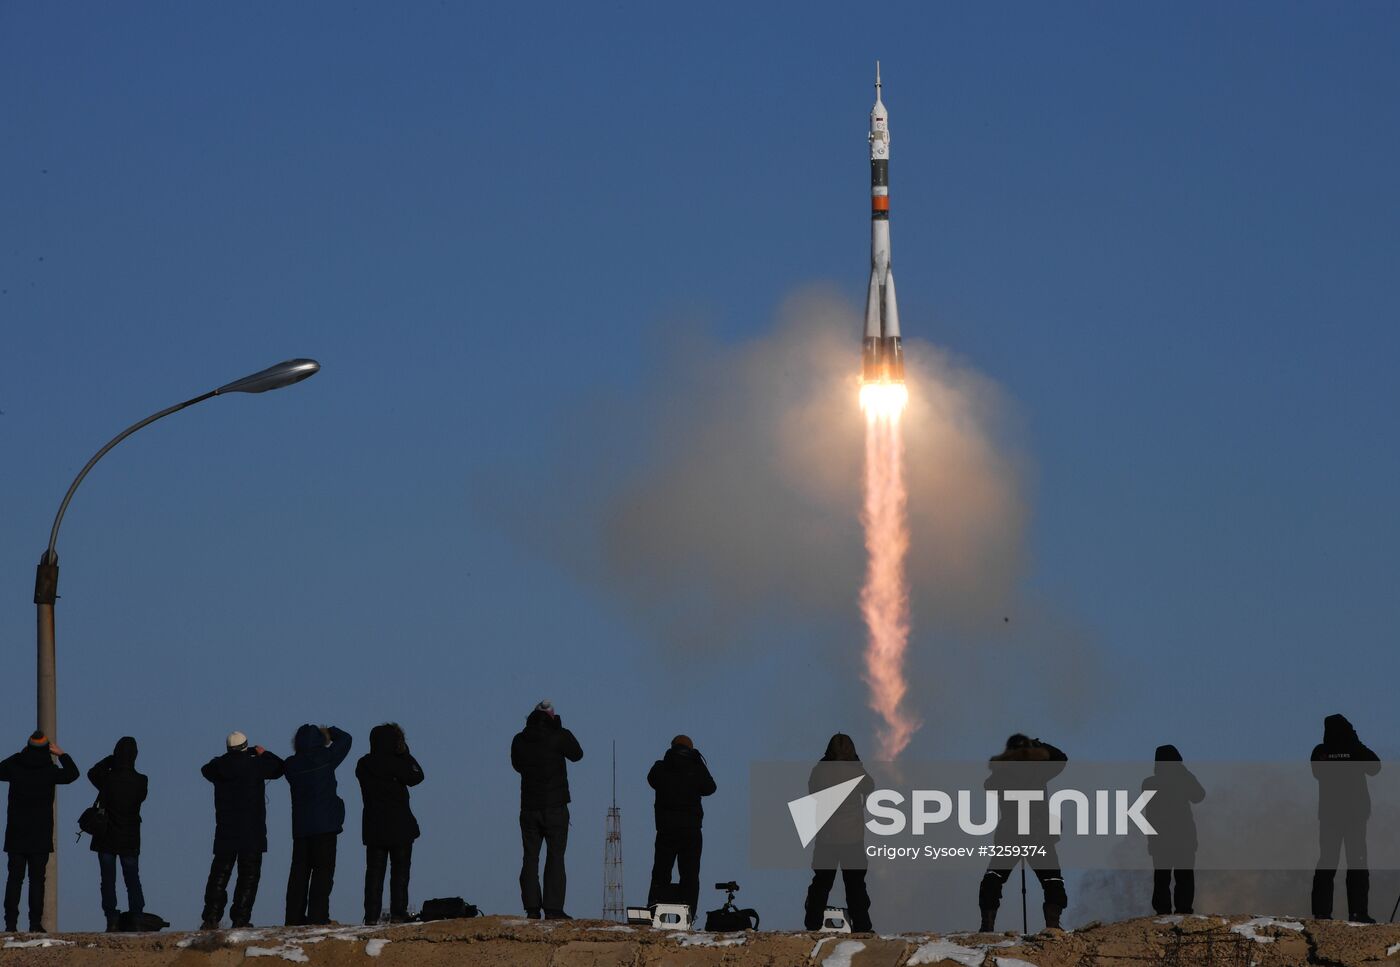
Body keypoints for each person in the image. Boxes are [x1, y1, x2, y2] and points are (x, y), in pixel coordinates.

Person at [977, 733, 1069, 933]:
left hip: (1010, 834)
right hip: (1038, 835)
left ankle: (987, 926)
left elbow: (989, 785)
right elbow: (1061, 758)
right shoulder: (1038, 772)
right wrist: (1039, 745)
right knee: (1052, 880)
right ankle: (1052, 926)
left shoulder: (1000, 775)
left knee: (993, 878)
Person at [200, 731, 285, 929]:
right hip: (252, 831)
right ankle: (240, 919)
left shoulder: (218, 767)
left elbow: (206, 769)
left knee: (219, 874)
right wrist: (263, 753)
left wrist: (226, 758)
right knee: (249, 876)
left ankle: (211, 917)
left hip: (225, 831)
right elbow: (280, 768)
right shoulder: (255, 765)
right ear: (246, 747)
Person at [510, 700, 583, 919]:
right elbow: (577, 754)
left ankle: (532, 907)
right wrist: (557, 727)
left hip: (529, 807)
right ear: (551, 716)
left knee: (530, 858)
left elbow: (517, 765)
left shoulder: (519, 740)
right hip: (555, 807)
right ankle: (553, 908)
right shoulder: (558, 735)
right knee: (555, 857)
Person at [0, 732, 78, 933]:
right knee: (37, 881)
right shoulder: (49, 770)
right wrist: (61, 754)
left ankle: (10, 923)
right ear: (47, 750)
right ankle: (35, 923)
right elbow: (72, 774)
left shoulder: (16, 765)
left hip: (16, 834)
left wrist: (20, 755)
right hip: (41, 835)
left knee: (14, 879)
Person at [802, 733, 875, 933]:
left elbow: (812, 790)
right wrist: (857, 764)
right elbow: (870, 786)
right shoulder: (855, 771)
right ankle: (862, 926)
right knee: (855, 884)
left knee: (822, 882)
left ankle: (813, 923)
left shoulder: (819, 770)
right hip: (852, 839)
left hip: (826, 838)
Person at [1311, 713, 1380, 922]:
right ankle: (1358, 911)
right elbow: (1375, 767)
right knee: (1357, 863)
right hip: (1355, 816)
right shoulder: (1355, 749)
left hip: (1330, 816)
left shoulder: (1321, 751)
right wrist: (1355, 743)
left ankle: (1322, 912)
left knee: (1327, 863)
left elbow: (1317, 772)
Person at [283, 725, 352, 926]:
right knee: (323, 873)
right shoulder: (327, 757)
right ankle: (318, 916)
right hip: (326, 826)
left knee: (299, 874)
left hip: (301, 828)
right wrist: (330, 731)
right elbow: (346, 739)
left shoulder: (291, 765)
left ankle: (293, 917)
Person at [356, 723, 423, 925]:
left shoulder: (364, 763)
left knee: (374, 874)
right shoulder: (397, 762)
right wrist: (405, 754)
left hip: (374, 826)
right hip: (400, 826)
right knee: (400, 873)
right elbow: (417, 776)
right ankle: (398, 913)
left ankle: (371, 916)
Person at [646, 735, 717, 916]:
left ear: (672, 747)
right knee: (690, 875)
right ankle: (688, 914)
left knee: (661, 872)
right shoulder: (695, 768)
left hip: (666, 830)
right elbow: (710, 787)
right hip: (691, 831)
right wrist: (697, 760)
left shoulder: (661, 767)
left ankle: (654, 912)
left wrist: (668, 758)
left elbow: (652, 779)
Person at [87, 737, 148, 932]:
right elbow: (141, 798)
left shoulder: (107, 779)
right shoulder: (141, 781)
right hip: (130, 837)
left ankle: (111, 918)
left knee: (108, 880)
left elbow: (92, 773)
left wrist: (109, 760)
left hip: (106, 836)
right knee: (132, 879)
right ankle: (137, 916)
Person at [1141, 744, 1204, 916]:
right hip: (1182, 838)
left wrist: (1151, 839)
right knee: (1182, 876)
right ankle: (1182, 910)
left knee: (1163, 877)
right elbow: (1199, 795)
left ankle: (1163, 911)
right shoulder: (1182, 780)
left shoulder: (1150, 783)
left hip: (1163, 839)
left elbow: (1145, 815)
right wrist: (1185, 773)